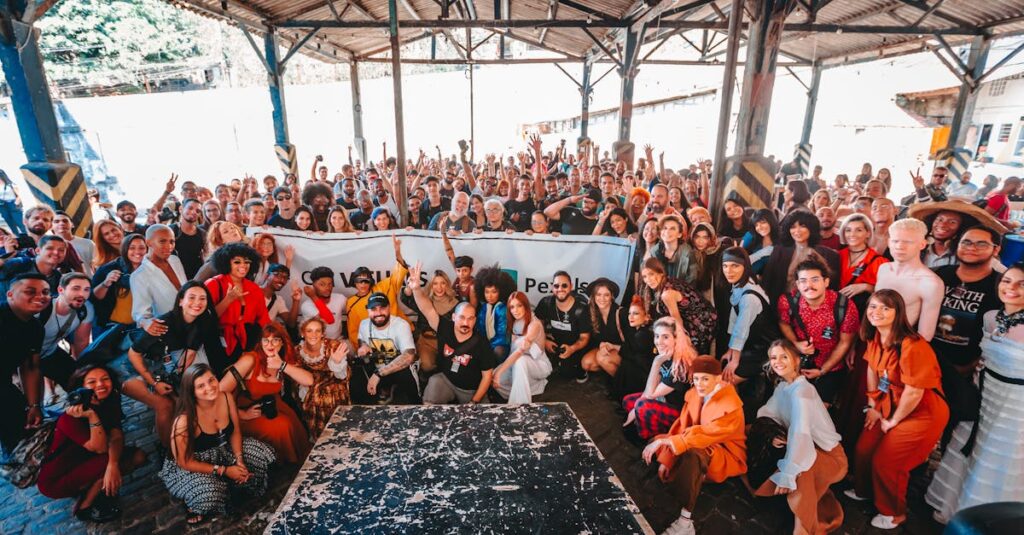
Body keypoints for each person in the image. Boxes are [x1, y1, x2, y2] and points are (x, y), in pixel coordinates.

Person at [925, 262, 1024, 523]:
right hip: (984, 392)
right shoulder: (991, 316)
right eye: (1006, 281)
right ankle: (956, 508)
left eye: (1021, 284)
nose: (1011, 288)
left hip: (1016, 404)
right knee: (969, 450)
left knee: (1000, 456)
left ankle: (989, 519)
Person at [847, 290, 949, 530]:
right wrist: (873, 405)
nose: (877, 312)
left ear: (898, 313)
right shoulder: (874, 337)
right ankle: (866, 490)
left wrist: (892, 421)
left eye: (885, 308)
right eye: (873, 307)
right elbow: (872, 370)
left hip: (922, 412)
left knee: (888, 461)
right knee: (864, 448)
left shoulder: (913, 346)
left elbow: (914, 392)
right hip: (888, 403)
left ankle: (894, 513)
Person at [159, 363, 276, 525]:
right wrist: (225, 470)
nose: (210, 387)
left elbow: (234, 431)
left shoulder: (226, 397)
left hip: (222, 450)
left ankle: (232, 483)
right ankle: (195, 504)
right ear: (191, 392)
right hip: (193, 463)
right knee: (209, 494)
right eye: (201, 386)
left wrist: (239, 459)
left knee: (261, 452)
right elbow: (184, 462)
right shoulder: (184, 421)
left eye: (211, 380)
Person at [642, 355, 746, 535]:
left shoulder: (732, 406)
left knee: (693, 455)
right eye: (696, 378)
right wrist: (666, 458)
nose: (700, 384)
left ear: (719, 378)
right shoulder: (695, 394)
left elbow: (706, 436)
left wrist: (666, 443)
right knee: (656, 443)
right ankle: (690, 476)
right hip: (693, 440)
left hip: (722, 453)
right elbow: (682, 425)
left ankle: (685, 522)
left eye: (705, 379)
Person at [753, 340, 847, 535]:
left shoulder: (803, 392)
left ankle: (802, 529)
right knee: (799, 459)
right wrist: (771, 435)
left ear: (796, 360)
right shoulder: (783, 387)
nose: (777, 362)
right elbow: (768, 413)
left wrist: (787, 474)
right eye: (773, 357)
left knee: (802, 468)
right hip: (808, 447)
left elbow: (801, 434)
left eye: (784, 356)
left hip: (831, 457)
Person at [36, 365, 147, 523]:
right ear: (81, 388)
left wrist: (113, 465)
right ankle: (85, 507)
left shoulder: (109, 402)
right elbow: (100, 448)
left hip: (86, 461)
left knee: (137, 457)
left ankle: (93, 485)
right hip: (56, 480)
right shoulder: (70, 417)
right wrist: (92, 416)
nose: (100, 385)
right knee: (108, 460)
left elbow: (117, 437)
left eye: (105, 379)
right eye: (92, 382)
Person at [124, 281, 222, 447]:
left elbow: (190, 352)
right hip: (149, 365)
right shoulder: (162, 325)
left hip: (176, 361)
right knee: (171, 405)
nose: (197, 303)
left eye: (202, 298)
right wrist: (154, 383)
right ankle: (168, 448)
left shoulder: (204, 320)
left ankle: (205, 431)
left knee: (194, 393)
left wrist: (181, 380)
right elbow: (133, 354)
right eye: (191, 298)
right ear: (180, 301)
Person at [220, 322, 312, 463]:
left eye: (275, 340)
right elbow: (220, 392)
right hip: (242, 412)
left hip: (269, 406)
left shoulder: (281, 359)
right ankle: (286, 467)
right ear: (260, 342)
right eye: (266, 340)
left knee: (294, 423)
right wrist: (242, 414)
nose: (270, 345)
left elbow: (309, 380)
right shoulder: (250, 359)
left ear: (282, 343)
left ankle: (301, 466)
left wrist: (282, 365)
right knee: (281, 427)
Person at [408, 261, 496, 405]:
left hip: (470, 391)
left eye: (470, 319)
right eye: (461, 317)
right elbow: (427, 309)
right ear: (454, 317)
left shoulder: (481, 343)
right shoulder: (445, 327)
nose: (465, 323)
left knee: (483, 419)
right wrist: (417, 289)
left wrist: (474, 401)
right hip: (447, 381)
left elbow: (487, 377)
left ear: (474, 320)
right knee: (433, 384)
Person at [777, 258, 860, 406]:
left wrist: (822, 370)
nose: (808, 285)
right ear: (797, 284)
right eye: (803, 281)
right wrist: (796, 343)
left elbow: (845, 342)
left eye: (815, 280)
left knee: (818, 411)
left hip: (830, 367)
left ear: (826, 282)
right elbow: (784, 323)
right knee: (789, 406)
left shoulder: (844, 306)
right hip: (796, 364)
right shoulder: (787, 301)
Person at [929, 227, 1003, 377]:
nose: (971, 248)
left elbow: (1003, 331)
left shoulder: (1002, 285)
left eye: (981, 244)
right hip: (926, 361)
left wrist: (972, 366)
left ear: (996, 250)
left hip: (967, 371)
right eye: (966, 242)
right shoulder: (937, 274)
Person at [0, 273, 48, 454]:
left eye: (45, 292)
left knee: (21, 431)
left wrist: (34, 405)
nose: (40, 296)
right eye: (30, 291)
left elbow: (30, 367)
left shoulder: (35, 328)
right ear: (10, 295)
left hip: (4, 385)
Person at [621, 317, 690, 442]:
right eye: (657, 336)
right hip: (661, 399)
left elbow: (651, 394)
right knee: (628, 401)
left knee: (641, 406)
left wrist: (656, 362)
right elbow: (651, 388)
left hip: (676, 412)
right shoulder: (664, 355)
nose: (659, 341)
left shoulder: (680, 366)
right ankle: (645, 423)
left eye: (665, 337)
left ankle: (646, 438)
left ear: (676, 339)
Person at [875, 218, 944, 341]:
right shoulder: (883, 268)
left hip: (901, 346)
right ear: (889, 242)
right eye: (895, 241)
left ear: (922, 244)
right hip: (873, 340)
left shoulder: (930, 282)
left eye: (908, 242)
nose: (900, 246)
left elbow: (925, 335)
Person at [205, 243, 270, 363]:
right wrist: (228, 299)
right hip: (219, 342)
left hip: (249, 343)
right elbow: (206, 319)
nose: (243, 266)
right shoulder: (213, 284)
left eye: (247, 262)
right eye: (237, 262)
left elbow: (264, 320)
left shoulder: (254, 288)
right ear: (226, 263)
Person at [351, 292, 420, 404]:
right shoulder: (364, 324)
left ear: (389, 307)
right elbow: (361, 340)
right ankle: (368, 406)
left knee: (408, 377)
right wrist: (363, 346)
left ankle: (414, 404)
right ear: (368, 310)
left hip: (398, 369)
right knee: (357, 374)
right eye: (373, 309)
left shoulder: (401, 325)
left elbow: (409, 356)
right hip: (376, 366)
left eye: (382, 308)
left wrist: (379, 374)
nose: (378, 313)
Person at [638, 257, 715, 359]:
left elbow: (677, 321)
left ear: (661, 272)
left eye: (651, 274)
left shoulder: (667, 294)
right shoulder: (667, 280)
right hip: (702, 316)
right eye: (645, 276)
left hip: (702, 324)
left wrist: (682, 343)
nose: (648, 280)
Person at [761, 210, 841, 304]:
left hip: (812, 309)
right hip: (780, 306)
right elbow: (767, 281)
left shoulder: (829, 255)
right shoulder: (780, 250)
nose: (797, 231)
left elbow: (831, 288)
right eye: (793, 227)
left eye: (802, 226)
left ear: (811, 228)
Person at [344, 235, 409, 345]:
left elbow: (399, 273)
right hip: (374, 344)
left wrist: (398, 254)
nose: (363, 284)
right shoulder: (351, 303)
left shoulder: (383, 287)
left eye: (366, 281)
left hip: (399, 335)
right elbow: (354, 331)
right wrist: (361, 348)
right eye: (360, 281)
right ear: (354, 283)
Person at [492, 291, 552, 404]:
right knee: (496, 379)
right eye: (512, 307)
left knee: (520, 361)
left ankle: (520, 405)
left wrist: (501, 370)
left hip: (538, 365)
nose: (515, 310)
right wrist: (499, 372)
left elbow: (520, 351)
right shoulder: (514, 322)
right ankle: (530, 388)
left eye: (519, 305)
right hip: (518, 364)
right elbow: (513, 351)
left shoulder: (534, 324)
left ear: (526, 306)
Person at [38, 273, 94, 390]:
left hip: (50, 353)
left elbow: (81, 343)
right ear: (60, 290)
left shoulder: (85, 309)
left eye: (86, 290)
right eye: (76, 288)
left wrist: (83, 370)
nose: (82, 294)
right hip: (23, 356)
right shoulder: (42, 308)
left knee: (79, 382)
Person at [296, 317, 351, 438]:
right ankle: (316, 436)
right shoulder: (298, 351)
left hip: (334, 380)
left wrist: (336, 362)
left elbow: (342, 375)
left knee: (327, 397)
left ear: (323, 334)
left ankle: (337, 434)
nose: (313, 334)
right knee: (310, 397)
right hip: (310, 381)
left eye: (318, 331)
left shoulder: (333, 346)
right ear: (302, 333)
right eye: (309, 331)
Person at [534, 271, 592, 382]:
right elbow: (536, 324)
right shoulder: (546, 303)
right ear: (552, 287)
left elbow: (584, 338)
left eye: (564, 285)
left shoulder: (581, 308)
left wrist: (572, 349)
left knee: (567, 373)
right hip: (554, 342)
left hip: (575, 346)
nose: (560, 289)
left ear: (571, 287)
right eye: (556, 286)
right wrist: (544, 340)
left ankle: (577, 367)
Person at [400, 269, 458, 373]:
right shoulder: (424, 301)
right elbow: (406, 298)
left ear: (447, 284)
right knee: (426, 365)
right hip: (426, 342)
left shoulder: (456, 304)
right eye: (435, 283)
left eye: (442, 283)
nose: (439, 288)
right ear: (431, 285)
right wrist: (409, 287)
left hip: (447, 343)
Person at [91, 233, 146, 338]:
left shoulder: (151, 270)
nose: (137, 252)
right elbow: (94, 297)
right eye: (132, 248)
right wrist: (106, 283)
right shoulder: (108, 269)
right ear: (125, 250)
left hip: (139, 328)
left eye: (142, 248)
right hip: (109, 327)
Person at [836, 214, 889, 314]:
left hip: (863, 314)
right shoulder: (836, 256)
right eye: (848, 230)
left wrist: (866, 287)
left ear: (868, 233)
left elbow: (887, 293)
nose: (852, 234)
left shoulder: (879, 261)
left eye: (858, 230)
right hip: (836, 312)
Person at [580, 278, 625, 378]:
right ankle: (610, 372)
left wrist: (612, 346)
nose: (602, 298)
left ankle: (624, 386)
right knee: (586, 363)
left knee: (602, 358)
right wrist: (602, 345)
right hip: (604, 349)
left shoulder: (621, 313)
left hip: (621, 350)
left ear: (611, 296)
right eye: (598, 294)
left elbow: (631, 344)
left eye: (606, 295)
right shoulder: (590, 311)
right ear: (594, 296)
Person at [0, 234, 67, 301]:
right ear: (38, 251)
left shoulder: (57, 277)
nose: (56, 252)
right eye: (50, 248)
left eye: (61, 250)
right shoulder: (20, 263)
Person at [647, 214, 696, 282]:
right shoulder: (654, 252)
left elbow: (692, 279)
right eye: (665, 228)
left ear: (679, 234)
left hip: (683, 291)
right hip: (659, 291)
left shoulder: (688, 253)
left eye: (672, 229)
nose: (667, 232)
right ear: (660, 232)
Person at [170, 199, 206, 280]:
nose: (194, 212)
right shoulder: (170, 231)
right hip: (175, 278)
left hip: (197, 279)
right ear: (181, 209)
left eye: (198, 211)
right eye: (190, 208)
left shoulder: (203, 234)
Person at [52, 211, 95, 276]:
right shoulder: (48, 246)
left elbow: (97, 266)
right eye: (56, 221)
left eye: (65, 221)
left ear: (72, 224)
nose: (61, 223)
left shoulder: (88, 243)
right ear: (51, 226)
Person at [741, 209, 779, 275]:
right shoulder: (750, 236)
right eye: (756, 225)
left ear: (771, 221)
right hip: (746, 276)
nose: (759, 227)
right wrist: (760, 254)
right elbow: (738, 258)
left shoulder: (781, 239)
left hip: (770, 279)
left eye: (763, 222)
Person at [0, 169, 26, 235]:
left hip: (12, 204)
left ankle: (26, 236)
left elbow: (19, 195)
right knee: (9, 221)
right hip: (3, 206)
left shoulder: (11, 185)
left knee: (19, 222)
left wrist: (16, 202)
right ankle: (16, 236)